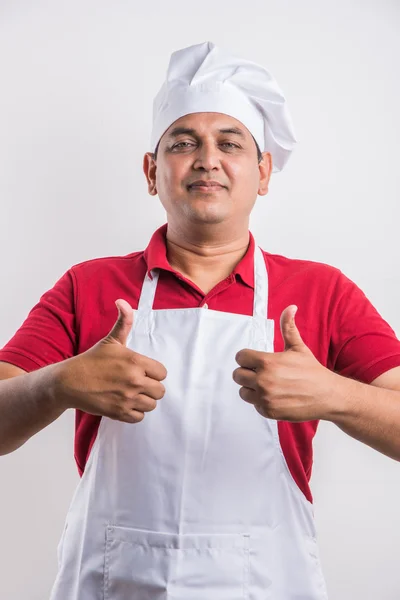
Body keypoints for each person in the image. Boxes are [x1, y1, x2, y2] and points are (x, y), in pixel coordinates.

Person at [0, 41, 400, 600]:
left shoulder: (321, 292)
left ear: (263, 172)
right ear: (151, 170)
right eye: (183, 143)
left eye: (229, 143)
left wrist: (335, 395)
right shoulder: (86, 286)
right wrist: (58, 383)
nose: (207, 159)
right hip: (111, 583)